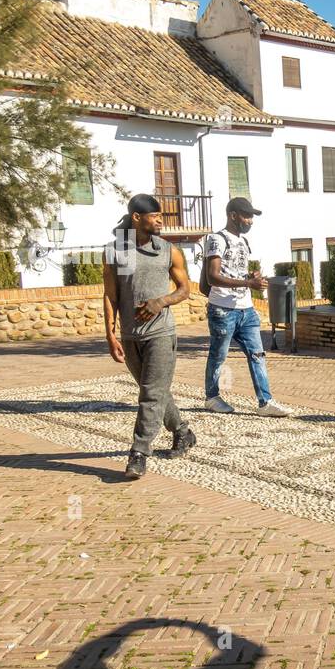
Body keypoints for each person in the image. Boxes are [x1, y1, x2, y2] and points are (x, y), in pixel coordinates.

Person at [102, 194, 197, 479]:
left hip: (161, 333)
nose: (160, 221)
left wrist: (161, 302)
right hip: (130, 336)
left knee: (149, 394)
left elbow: (185, 289)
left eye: (161, 216)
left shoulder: (169, 251)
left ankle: (139, 453)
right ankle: (183, 432)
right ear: (136, 218)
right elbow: (110, 295)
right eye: (155, 216)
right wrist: (110, 333)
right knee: (154, 390)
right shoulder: (114, 251)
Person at [201, 197, 291, 417]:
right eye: (247, 216)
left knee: (257, 354)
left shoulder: (242, 242)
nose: (250, 221)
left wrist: (251, 277)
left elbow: (234, 271)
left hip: (246, 309)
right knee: (218, 355)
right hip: (223, 309)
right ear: (233, 215)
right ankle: (212, 397)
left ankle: (265, 402)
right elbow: (213, 277)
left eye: (252, 217)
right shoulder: (216, 239)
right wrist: (248, 283)